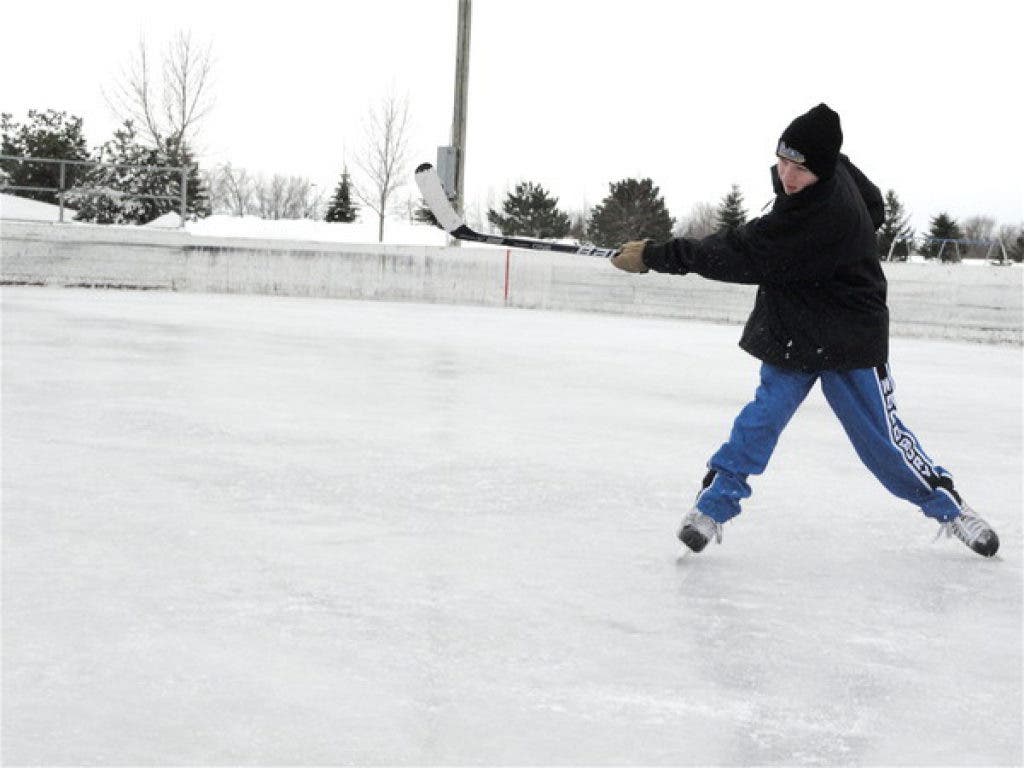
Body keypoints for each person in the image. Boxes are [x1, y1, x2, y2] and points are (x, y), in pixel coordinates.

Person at [610, 103, 999, 558]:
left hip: (848, 333)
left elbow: (738, 252)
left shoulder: (817, 219)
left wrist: (655, 256)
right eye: (783, 162)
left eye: (799, 168)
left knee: (883, 444)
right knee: (759, 422)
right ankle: (710, 509)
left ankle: (953, 511)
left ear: (822, 168)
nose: (787, 176)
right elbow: (874, 205)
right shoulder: (836, 170)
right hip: (794, 326)